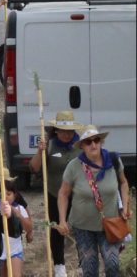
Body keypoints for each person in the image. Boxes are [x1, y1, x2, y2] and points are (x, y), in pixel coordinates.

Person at [57, 126, 130, 277]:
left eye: (96, 140)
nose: (93, 145)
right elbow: (63, 194)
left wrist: (125, 207)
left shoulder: (114, 161)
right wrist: (62, 220)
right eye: (88, 142)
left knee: (112, 265)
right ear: (82, 146)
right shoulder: (74, 166)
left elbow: (123, 183)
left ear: (101, 142)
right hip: (83, 227)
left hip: (110, 224)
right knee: (89, 269)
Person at [28, 110, 83, 276]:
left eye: (69, 131)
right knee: (57, 228)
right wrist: (40, 152)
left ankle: (83, 263)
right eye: (63, 131)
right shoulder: (49, 145)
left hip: (78, 195)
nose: (66, 134)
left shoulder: (80, 146)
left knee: (81, 229)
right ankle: (59, 265)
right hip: (54, 193)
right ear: (57, 130)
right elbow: (34, 168)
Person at [0, 179, 32, 277]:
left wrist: (15, 212)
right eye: (1, 194)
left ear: (14, 195)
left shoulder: (20, 208)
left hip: (15, 250)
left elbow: (28, 227)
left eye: (8, 194)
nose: (5, 197)